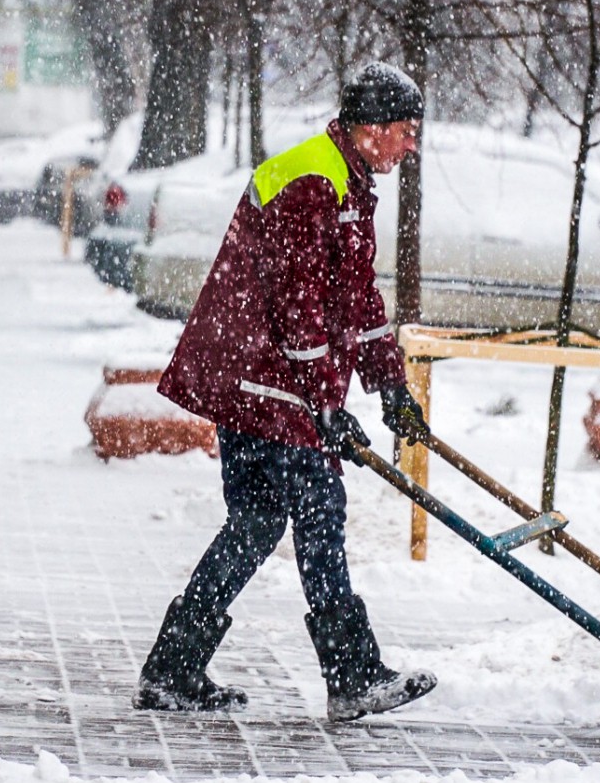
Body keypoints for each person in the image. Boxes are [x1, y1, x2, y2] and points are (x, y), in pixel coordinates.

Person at [135, 62, 438, 722]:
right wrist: (325, 402)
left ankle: (172, 667)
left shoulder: (349, 182)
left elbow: (357, 297)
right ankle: (351, 673)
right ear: (373, 129)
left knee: (257, 522)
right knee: (318, 514)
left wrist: (390, 387)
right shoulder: (312, 180)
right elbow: (297, 303)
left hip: (267, 377)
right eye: (406, 133)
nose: (410, 147)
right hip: (261, 375)